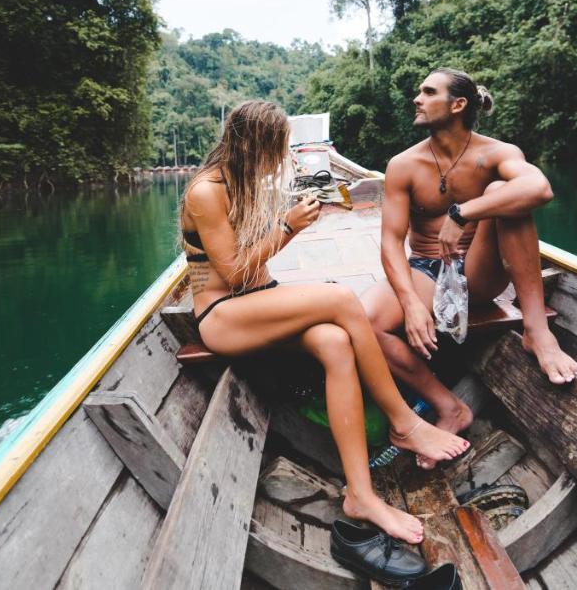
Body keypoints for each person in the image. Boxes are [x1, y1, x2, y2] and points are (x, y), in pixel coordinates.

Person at [181, 100, 470, 545]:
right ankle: (402, 421)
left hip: (261, 301)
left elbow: (255, 263)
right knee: (339, 298)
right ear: (253, 144)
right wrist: (289, 226)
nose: (284, 156)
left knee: (336, 341)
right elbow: (234, 272)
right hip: (223, 316)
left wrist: (292, 215)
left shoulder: (246, 183)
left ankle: (361, 494)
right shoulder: (206, 191)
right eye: (279, 147)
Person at [362, 69, 577, 463]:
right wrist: (410, 303)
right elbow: (391, 241)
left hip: (479, 272)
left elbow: (539, 189)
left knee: (506, 192)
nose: (417, 98)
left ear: (458, 104)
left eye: (428, 92)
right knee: (363, 320)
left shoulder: (495, 153)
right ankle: (449, 407)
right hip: (427, 269)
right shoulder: (404, 165)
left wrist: (463, 213)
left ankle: (537, 330)